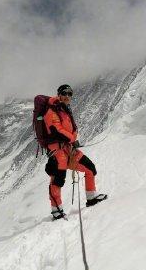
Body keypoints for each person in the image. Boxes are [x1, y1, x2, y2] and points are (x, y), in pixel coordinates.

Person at [44, 84, 107, 220]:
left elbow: (72, 128)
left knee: (90, 167)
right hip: (58, 151)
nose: (67, 96)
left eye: (70, 94)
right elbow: (56, 129)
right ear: (59, 94)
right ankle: (56, 210)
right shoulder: (52, 111)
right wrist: (72, 138)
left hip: (68, 148)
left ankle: (91, 197)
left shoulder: (65, 110)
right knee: (57, 180)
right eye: (65, 93)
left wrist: (72, 138)